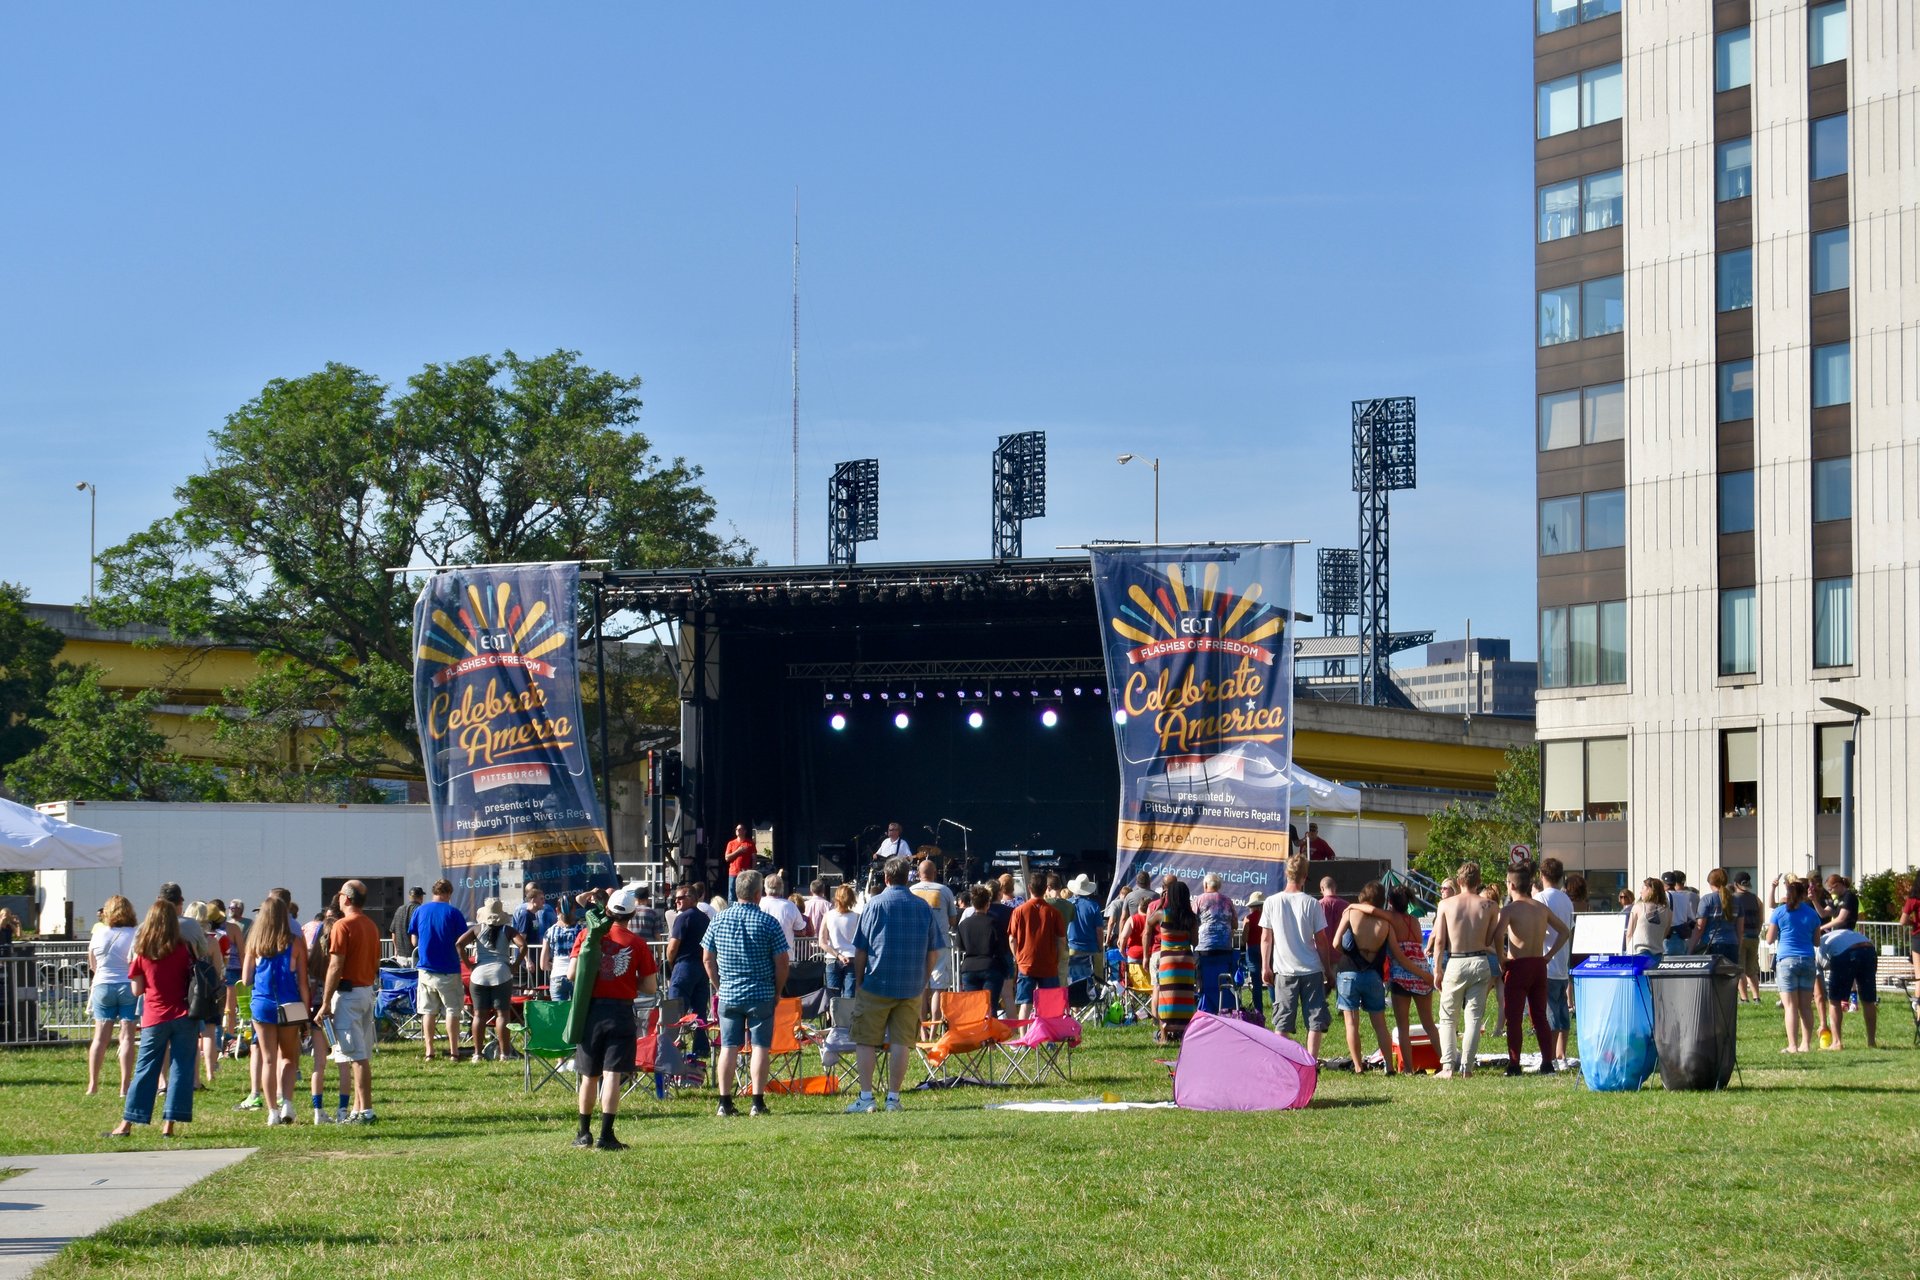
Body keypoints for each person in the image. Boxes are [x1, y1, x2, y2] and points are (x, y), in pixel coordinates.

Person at [844, 856, 944, 1113]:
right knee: (902, 1042)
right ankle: (893, 1098)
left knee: (865, 1040)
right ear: (907, 878)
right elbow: (934, 950)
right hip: (911, 985)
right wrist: (924, 977)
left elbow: (861, 949)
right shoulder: (922, 907)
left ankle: (866, 1097)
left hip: (877, 982)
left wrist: (859, 980)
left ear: (886, 878)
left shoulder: (874, 905)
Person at [569, 885, 659, 1148]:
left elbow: (572, 975)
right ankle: (606, 1136)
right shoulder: (638, 944)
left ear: (607, 910)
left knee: (589, 1075)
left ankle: (583, 1134)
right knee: (612, 1075)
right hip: (620, 1011)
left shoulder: (587, 934)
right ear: (631, 915)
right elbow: (650, 987)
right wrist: (628, 982)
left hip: (591, 1011)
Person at [109, 900, 200, 1139]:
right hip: (184, 1014)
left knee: (145, 1069)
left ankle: (127, 1123)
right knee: (181, 1067)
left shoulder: (142, 951)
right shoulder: (184, 949)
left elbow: (137, 990)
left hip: (154, 1016)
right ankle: (169, 1123)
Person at [703, 870, 790, 1117]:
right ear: (757, 893)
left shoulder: (718, 920)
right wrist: (777, 990)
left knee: (728, 1047)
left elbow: (708, 959)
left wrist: (720, 986)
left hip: (729, 993)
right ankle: (757, 1101)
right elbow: (782, 962)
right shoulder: (768, 922)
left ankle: (724, 1101)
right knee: (760, 1046)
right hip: (761, 992)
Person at [241, 895, 311, 1126]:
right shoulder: (296, 943)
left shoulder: (254, 943)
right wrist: (307, 1013)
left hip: (262, 1003)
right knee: (290, 1058)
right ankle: (287, 1103)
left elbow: (245, 978)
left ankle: (271, 1111)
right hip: (290, 1003)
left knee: (268, 1059)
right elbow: (303, 982)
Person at [1494, 864, 1569, 1076]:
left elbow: (1498, 935)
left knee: (1514, 1016)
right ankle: (1547, 1062)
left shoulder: (1509, 910)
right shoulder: (1541, 908)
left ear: (1511, 884)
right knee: (1540, 1015)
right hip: (1538, 964)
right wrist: (1549, 955)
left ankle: (1514, 1064)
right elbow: (1564, 931)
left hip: (1518, 964)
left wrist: (1501, 958)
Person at [1430, 863, 1502, 1079]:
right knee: (1473, 1018)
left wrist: (1436, 970)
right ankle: (1467, 1068)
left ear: (1459, 881)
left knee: (1448, 1018)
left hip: (1456, 961)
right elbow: (1491, 938)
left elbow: (1440, 940)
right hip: (1480, 960)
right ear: (1478, 881)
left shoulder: (1446, 904)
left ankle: (1448, 1067)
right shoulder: (1490, 906)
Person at [319, 879, 382, 1123]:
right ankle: (357, 1109)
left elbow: (335, 966)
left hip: (348, 994)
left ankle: (365, 1111)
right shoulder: (371, 925)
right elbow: (375, 963)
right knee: (361, 1053)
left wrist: (325, 1003)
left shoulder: (342, 926)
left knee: (356, 1056)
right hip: (366, 991)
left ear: (345, 898)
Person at [1261, 853, 1334, 1059]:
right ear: (1305, 876)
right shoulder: (1312, 903)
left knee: (1282, 1021)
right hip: (1311, 968)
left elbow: (1266, 938)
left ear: (1287, 874)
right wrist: (1328, 969)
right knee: (1314, 1019)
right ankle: (1311, 1061)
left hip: (1284, 970)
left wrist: (1265, 966)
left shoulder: (1271, 902)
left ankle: (1283, 1061)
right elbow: (1321, 941)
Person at [1328, 881, 1405, 1074]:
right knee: (1380, 1023)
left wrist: (1349, 953)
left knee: (1351, 1022)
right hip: (1373, 974)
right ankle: (1388, 1065)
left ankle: (1358, 1066)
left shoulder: (1350, 913)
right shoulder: (1386, 922)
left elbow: (1336, 942)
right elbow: (1394, 951)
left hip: (1348, 972)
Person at [86, 895, 140, 1098]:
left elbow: (93, 964)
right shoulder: (135, 934)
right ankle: (124, 1086)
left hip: (102, 985)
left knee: (100, 1037)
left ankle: (93, 1084)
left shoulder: (99, 934)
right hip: (128, 984)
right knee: (126, 1036)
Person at [408, 879, 467, 1062]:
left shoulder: (419, 910)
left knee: (428, 1012)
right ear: (449, 893)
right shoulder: (454, 912)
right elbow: (462, 940)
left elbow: (414, 940)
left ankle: (429, 1052)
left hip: (425, 969)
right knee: (452, 1010)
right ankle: (454, 1051)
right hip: (449, 968)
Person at [459, 899, 522, 1063]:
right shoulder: (508, 930)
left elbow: (459, 944)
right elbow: (523, 945)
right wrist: (515, 964)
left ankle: (477, 1054)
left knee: (478, 1015)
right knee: (502, 1014)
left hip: (479, 974)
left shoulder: (477, 928)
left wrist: (468, 964)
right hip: (501, 972)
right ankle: (504, 1054)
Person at [1385, 884, 1437, 1072]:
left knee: (1403, 1026)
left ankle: (1408, 1068)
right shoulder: (1414, 921)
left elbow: (1372, 910)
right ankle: (1446, 1061)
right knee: (1429, 1023)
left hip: (1402, 976)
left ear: (1390, 902)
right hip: (1423, 971)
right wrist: (1424, 974)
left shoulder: (1391, 919)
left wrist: (1353, 907)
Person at [1768, 877, 1822, 1053]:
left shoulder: (1779, 912)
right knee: (1805, 1006)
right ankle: (1806, 1044)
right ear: (1803, 895)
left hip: (1786, 960)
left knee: (1790, 1006)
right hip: (1807, 960)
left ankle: (1792, 1046)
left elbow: (1769, 939)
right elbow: (1816, 942)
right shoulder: (1813, 914)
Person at [1145, 879, 1199, 1044]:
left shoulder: (1162, 914)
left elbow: (1148, 922)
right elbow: (1195, 941)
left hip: (1168, 959)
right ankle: (1184, 1032)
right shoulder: (1191, 917)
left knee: (1166, 997)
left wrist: (1161, 902)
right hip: (1185, 960)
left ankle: (1164, 1035)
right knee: (1185, 996)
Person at [1008, 872, 1067, 1020]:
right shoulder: (1054, 912)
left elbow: (1011, 939)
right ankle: (1050, 1040)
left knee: (1025, 1003)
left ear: (1029, 888)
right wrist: (1057, 958)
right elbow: (1061, 940)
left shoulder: (1018, 911)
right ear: (1046, 888)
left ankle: (1024, 1038)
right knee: (1050, 1002)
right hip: (1048, 963)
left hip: (1026, 963)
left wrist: (1017, 958)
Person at [1535, 858, 1576, 1068]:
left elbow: (1538, 928)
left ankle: (1550, 1056)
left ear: (1542, 876)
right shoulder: (1566, 900)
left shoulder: (1540, 898)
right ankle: (1561, 1053)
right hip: (1563, 961)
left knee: (1550, 1011)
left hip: (1547, 960)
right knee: (1562, 1010)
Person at [664, 883, 711, 1060]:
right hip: (701, 967)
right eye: (675, 898)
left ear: (692, 898)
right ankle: (701, 1048)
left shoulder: (683, 917)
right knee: (700, 1011)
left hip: (684, 965)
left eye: (680, 898)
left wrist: (671, 964)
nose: (676, 901)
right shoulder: (705, 918)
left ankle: (672, 1047)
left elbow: (672, 947)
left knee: (674, 1009)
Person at [910, 859, 960, 1020]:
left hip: (917, 945)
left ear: (918, 874)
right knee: (939, 988)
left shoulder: (910, 890)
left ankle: (923, 1030)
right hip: (940, 944)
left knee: (921, 988)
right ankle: (934, 1030)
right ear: (936, 873)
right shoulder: (944, 891)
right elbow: (953, 920)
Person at [1819, 925, 1879, 1050]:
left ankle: (1837, 1042)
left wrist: (1823, 1023)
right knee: (1868, 1000)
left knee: (1834, 1000)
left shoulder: (1815, 950)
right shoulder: (1833, 935)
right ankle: (1871, 1042)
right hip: (1869, 949)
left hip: (1846, 953)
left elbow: (1819, 994)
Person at [1191, 873, 1239, 1014]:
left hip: (1204, 948)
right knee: (1223, 979)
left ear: (1206, 885)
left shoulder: (1198, 900)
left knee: (1203, 980)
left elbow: (1193, 922)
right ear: (1219, 886)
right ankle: (1225, 1004)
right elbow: (1235, 924)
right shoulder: (1228, 901)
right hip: (1225, 948)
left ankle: (1203, 1004)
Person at [956, 883, 1008, 1012]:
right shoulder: (993, 923)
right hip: (991, 966)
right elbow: (1001, 947)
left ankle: (976, 1031)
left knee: (974, 1009)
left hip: (969, 967)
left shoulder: (964, 924)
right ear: (988, 904)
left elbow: (960, 945)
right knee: (990, 1008)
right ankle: (989, 1031)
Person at [819, 883, 862, 1000]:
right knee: (850, 998)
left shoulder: (828, 916)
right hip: (852, 958)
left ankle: (832, 1018)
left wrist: (838, 955)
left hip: (832, 959)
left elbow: (822, 942)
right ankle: (847, 1018)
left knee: (832, 998)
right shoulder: (857, 917)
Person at [1065, 873, 1107, 993]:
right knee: (1096, 977)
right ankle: (1096, 995)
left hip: (1072, 948)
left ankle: (1075, 1005)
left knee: (1072, 979)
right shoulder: (1093, 906)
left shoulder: (1067, 904)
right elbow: (1099, 931)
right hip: (1091, 949)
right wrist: (1100, 947)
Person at [1693, 869, 1742, 967]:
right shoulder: (1737, 900)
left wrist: (1691, 947)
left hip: (1712, 944)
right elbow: (1740, 929)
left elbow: (1700, 928)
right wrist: (1738, 947)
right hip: (1732, 944)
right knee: (1730, 979)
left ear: (1710, 882)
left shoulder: (1707, 899)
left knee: (1713, 979)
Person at [758, 872, 806, 968]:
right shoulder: (790, 906)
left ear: (765, 887)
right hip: (785, 958)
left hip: (761, 958)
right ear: (782, 888)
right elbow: (801, 929)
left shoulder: (758, 903)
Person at [1733, 871, 1766, 1003]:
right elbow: (1761, 918)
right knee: (1751, 969)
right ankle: (1756, 997)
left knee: (1740, 969)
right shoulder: (1755, 898)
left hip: (1740, 937)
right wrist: (1757, 931)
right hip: (1753, 936)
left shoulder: (1733, 899)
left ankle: (1744, 998)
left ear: (1735, 884)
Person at [543, 897, 583, 1003]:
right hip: (576, 975)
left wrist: (553, 966)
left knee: (559, 1014)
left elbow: (543, 965)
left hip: (557, 976)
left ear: (557, 910)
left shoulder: (550, 932)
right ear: (574, 909)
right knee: (576, 1014)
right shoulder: (581, 930)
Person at [1624, 879, 1670, 956]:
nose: (1640, 892)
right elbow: (1665, 932)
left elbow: (1629, 933)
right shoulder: (1667, 911)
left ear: (1650, 890)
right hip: (1657, 953)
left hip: (1638, 952)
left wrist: (1628, 950)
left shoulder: (1638, 907)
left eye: (1642, 888)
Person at [1242, 890, 1267, 1016]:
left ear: (1253, 906)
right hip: (1267, 949)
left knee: (1256, 982)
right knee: (1270, 980)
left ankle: (1259, 1011)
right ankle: (1276, 1008)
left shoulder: (1249, 918)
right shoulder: (1268, 917)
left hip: (1252, 949)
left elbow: (1244, 939)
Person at [1663, 872, 1698, 955]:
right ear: (1675, 883)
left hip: (1667, 934)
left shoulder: (1663, 896)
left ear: (1664, 884)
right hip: (1681, 935)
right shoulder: (1685, 896)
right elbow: (1691, 917)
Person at [1317, 878, 1350, 956]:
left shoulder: (1317, 905)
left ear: (1322, 888)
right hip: (1341, 954)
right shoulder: (1347, 906)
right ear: (1335, 887)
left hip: (1320, 955)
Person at [724, 825, 759, 901]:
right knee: (732, 895)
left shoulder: (750, 843)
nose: (738, 830)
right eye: (736, 829)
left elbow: (754, 858)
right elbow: (727, 858)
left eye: (740, 829)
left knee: (746, 894)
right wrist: (738, 851)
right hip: (733, 873)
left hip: (745, 874)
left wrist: (752, 871)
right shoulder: (731, 843)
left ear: (745, 831)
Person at [390, 887, 425, 961]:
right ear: (421, 897)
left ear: (410, 897)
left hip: (400, 957)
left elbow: (393, 932)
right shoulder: (421, 910)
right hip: (416, 956)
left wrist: (396, 950)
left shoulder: (399, 909)